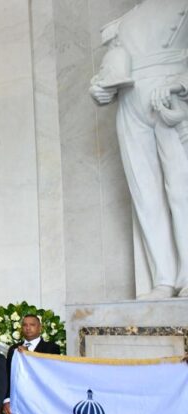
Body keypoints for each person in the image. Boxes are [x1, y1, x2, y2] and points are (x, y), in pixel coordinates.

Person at [89, 1, 188, 299]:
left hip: (170, 98)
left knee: (181, 190)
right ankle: (164, 279)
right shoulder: (125, 20)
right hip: (130, 103)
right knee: (146, 196)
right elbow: (112, 69)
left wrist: (179, 84)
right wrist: (100, 89)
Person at [2, 315, 61, 414]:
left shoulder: (51, 348)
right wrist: (7, 400)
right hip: (18, 402)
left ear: (40, 328)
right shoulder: (14, 349)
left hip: (42, 403)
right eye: (25, 325)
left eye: (32, 325)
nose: (28, 328)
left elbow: (50, 374)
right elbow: (8, 375)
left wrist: (28, 355)